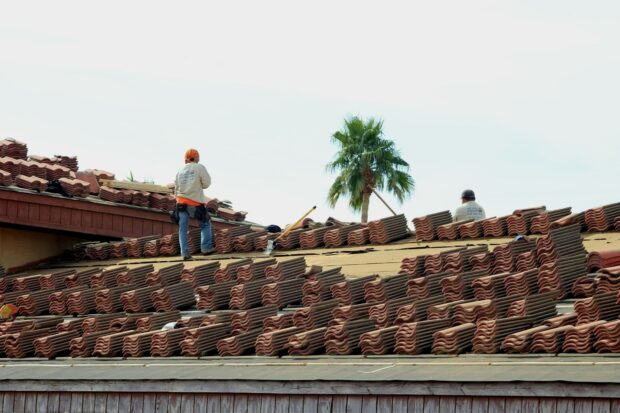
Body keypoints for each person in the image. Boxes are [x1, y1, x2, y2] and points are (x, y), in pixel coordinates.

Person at [174, 148, 214, 260]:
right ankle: (206, 248)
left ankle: (185, 254)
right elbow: (206, 183)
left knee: (182, 228)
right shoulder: (199, 167)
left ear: (186, 159)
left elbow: (176, 187)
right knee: (205, 224)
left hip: (181, 202)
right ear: (197, 158)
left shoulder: (180, 170)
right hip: (195, 202)